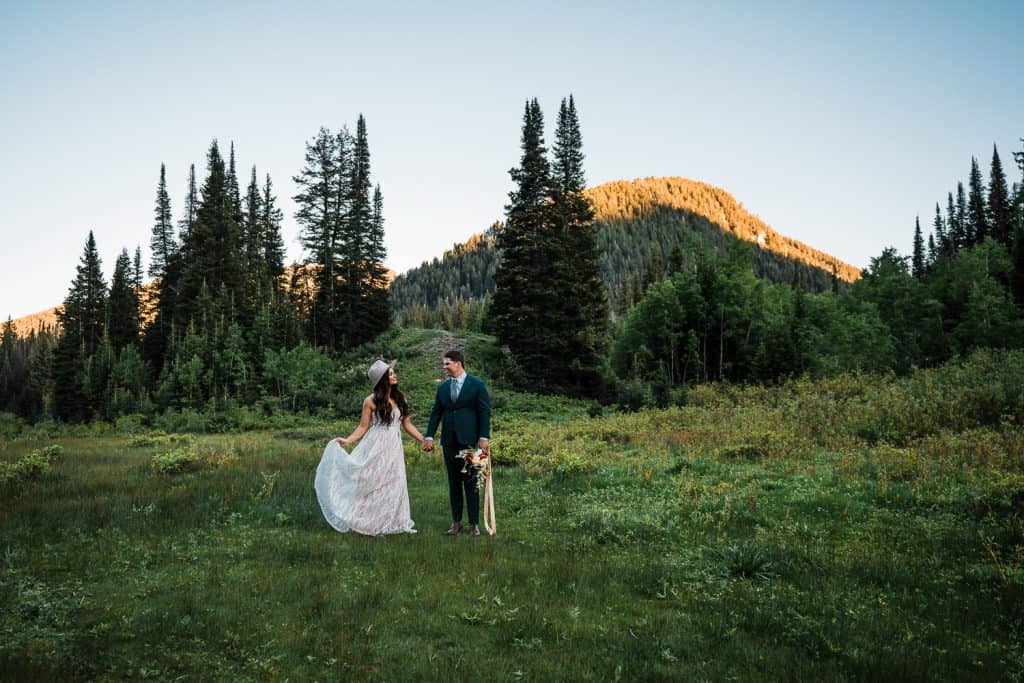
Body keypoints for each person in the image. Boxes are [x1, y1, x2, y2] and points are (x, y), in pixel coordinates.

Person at [314, 360, 425, 536]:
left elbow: (407, 424)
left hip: (394, 446)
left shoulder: (400, 398)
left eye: (393, 373)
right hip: (375, 444)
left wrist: (423, 439)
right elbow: (363, 426)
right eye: (390, 374)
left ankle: (390, 520)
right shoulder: (370, 401)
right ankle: (362, 520)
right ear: (382, 379)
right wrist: (348, 440)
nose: (394, 375)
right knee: (371, 479)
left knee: (394, 481)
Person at [423, 349, 491, 537]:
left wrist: (484, 437)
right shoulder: (443, 388)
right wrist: (429, 435)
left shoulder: (477, 385)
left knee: (471, 482)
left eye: (447, 363)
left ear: (458, 364)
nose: (444, 367)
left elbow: (484, 412)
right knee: (453, 483)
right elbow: (436, 413)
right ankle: (456, 523)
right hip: (449, 441)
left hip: (471, 442)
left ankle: (474, 524)